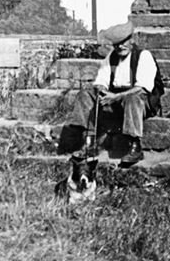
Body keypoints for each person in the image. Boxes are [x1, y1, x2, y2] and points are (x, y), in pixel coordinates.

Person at [59, 22, 157, 168]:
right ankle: (89, 142)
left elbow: (142, 88)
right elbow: (101, 80)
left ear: (131, 40)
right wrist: (101, 90)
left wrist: (116, 97)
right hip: (114, 99)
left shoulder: (143, 56)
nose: (120, 47)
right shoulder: (111, 57)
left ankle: (134, 146)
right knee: (84, 95)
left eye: (123, 42)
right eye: (116, 44)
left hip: (139, 101)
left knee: (132, 98)